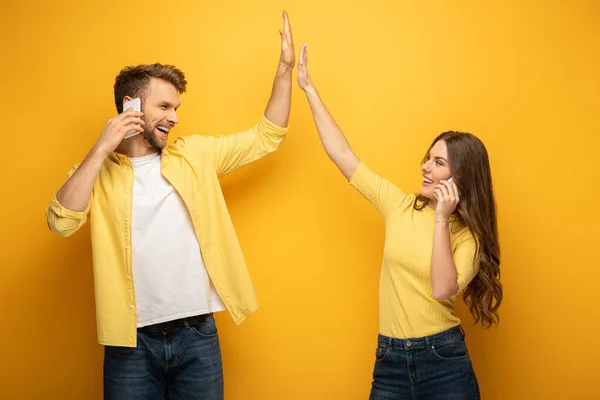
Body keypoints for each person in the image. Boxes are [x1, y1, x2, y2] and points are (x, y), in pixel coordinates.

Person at [45, 11, 296, 400]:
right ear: (131, 106)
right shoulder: (97, 171)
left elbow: (268, 136)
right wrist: (101, 148)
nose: (174, 117)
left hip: (198, 336)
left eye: (176, 108)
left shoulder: (195, 154)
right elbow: (61, 222)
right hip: (131, 342)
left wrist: (284, 69)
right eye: (164, 107)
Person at [296, 42, 502, 400]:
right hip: (389, 359)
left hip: (444, 361)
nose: (425, 166)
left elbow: (443, 290)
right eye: (428, 158)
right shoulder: (399, 205)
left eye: (439, 163)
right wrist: (309, 89)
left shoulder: (468, 238)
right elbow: (341, 153)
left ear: (462, 177)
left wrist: (441, 220)